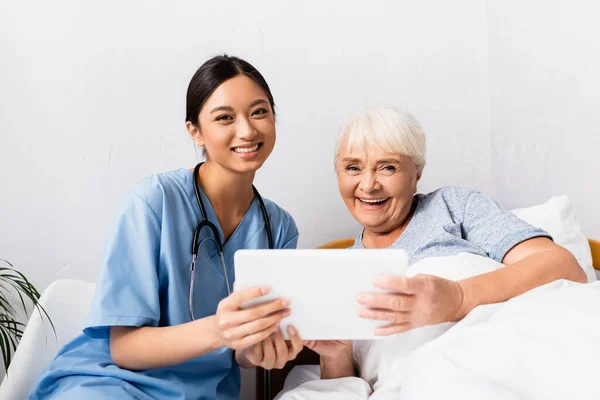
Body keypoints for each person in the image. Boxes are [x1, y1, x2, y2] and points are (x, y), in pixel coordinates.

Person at [29, 55, 304, 400]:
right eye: (224, 118)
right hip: (110, 383)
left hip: (202, 393)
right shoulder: (153, 202)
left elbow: (243, 352)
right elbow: (124, 349)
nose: (247, 130)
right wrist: (220, 329)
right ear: (195, 132)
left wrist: (260, 350)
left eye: (259, 112)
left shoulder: (277, 227)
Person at [304, 107, 587, 379]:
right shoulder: (340, 270)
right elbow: (347, 384)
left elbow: (563, 266)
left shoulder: (454, 207)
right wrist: (335, 355)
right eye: (353, 167)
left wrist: (457, 298)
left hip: (509, 351)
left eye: (387, 168)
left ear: (417, 174)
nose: (368, 185)